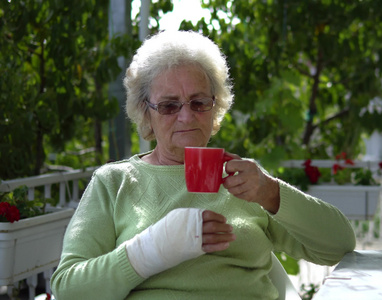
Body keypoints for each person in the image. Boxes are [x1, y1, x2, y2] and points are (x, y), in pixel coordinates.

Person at [51, 30, 355, 300]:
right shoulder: (114, 182)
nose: (186, 117)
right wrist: (151, 250)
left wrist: (271, 193)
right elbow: (68, 289)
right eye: (169, 106)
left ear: (215, 107)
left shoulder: (245, 180)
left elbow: (338, 246)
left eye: (199, 102)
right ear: (146, 114)